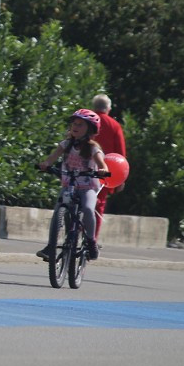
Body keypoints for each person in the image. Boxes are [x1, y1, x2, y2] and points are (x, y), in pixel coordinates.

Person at [35, 109, 109, 261]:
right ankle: (51, 247)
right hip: (69, 185)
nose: (75, 126)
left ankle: (91, 242)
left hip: (87, 187)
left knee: (88, 209)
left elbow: (102, 163)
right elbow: (52, 157)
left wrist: (103, 169)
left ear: (90, 129)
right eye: (74, 123)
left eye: (80, 124)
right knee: (57, 214)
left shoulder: (93, 147)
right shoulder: (66, 144)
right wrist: (46, 164)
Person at [91, 93, 126, 243]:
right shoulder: (114, 125)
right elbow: (120, 155)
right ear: (108, 108)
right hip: (104, 171)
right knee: (98, 205)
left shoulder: (86, 121)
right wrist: (121, 178)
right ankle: (92, 239)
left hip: (82, 166)